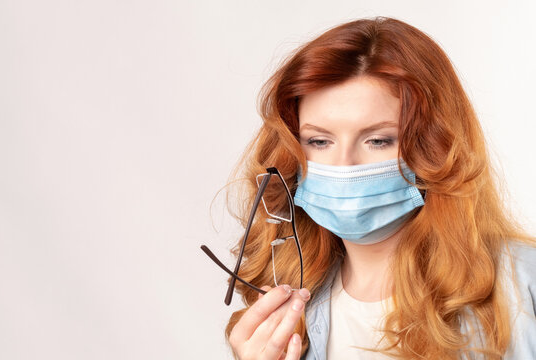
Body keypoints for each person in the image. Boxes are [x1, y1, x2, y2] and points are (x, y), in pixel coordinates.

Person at [220, 16, 536, 359]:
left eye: (377, 140)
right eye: (319, 140)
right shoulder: (290, 309)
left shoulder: (520, 286)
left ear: (435, 149)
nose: (344, 166)